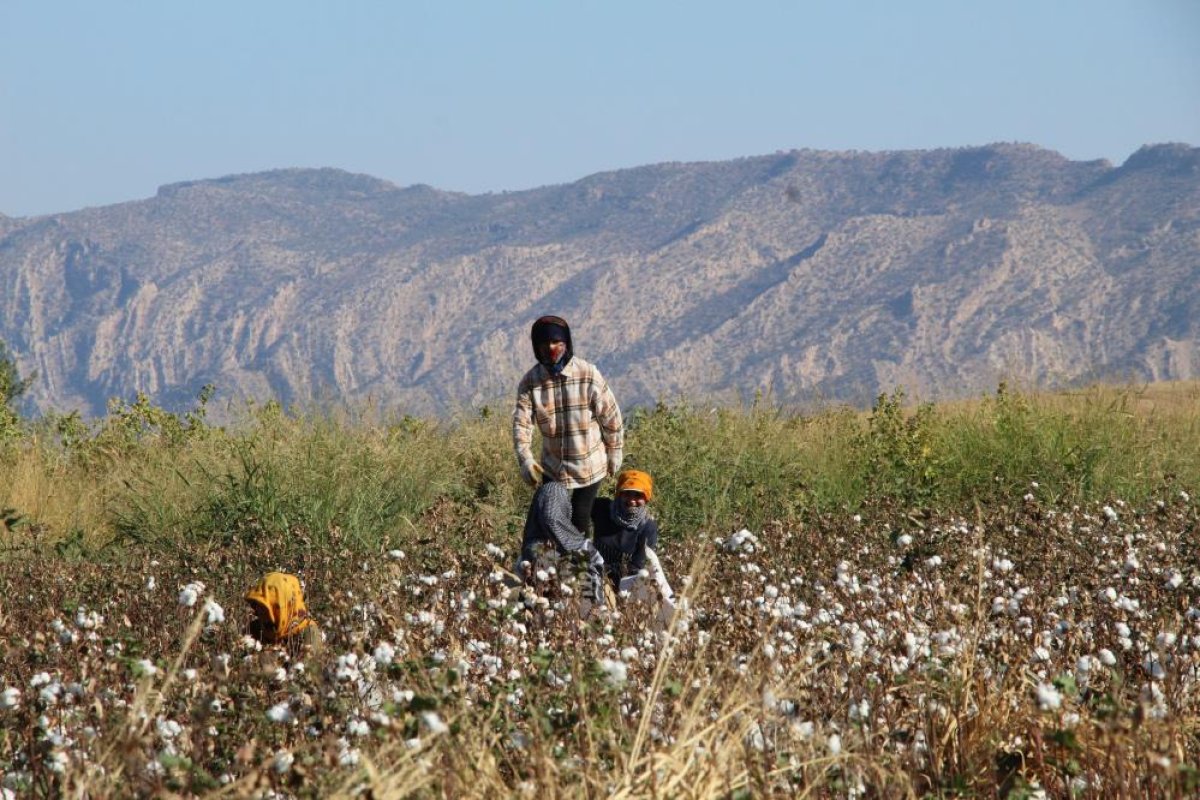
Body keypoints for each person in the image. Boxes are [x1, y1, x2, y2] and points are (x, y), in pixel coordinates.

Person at [512, 315, 624, 536]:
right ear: (536, 347)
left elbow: (611, 416)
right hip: (554, 467)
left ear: (566, 342)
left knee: (580, 518)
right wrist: (525, 459)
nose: (551, 348)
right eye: (544, 344)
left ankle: (584, 566)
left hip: (589, 465)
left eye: (556, 342)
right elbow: (522, 425)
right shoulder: (531, 382)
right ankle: (556, 564)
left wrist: (615, 450)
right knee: (552, 517)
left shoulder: (588, 374)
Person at [593, 469, 676, 619]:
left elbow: (638, 567)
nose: (632, 500)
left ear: (647, 497)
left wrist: (619, 598)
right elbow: (578, 511)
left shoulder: (647, 527)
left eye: (638, 495)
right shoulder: (601, 508)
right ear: (619, 493)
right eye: (627, 493)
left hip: (628, 584)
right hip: (594, 576)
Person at [516, 480, 608, 609]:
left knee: (536, 602)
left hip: (542, 553)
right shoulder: (554, 489)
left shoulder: (554, 489)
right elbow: (552, 519)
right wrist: (578, 545)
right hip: (545, 555)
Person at [245, 572, 322, 653]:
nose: (258, 610)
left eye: (265, 607)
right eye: (257, 605)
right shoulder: (255, 629)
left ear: (282, 608)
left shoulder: (309, 635)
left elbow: (307, 663)